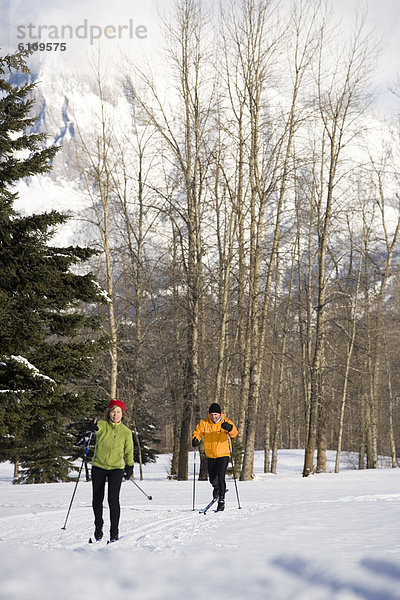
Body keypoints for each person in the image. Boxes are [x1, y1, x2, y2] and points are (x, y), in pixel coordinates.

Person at [87, 399, 134, 543]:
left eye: (118, 412)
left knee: (113, 500)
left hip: (116, 468)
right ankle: (98, 526)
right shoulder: (102, 425)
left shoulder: (126, 432)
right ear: (109, 413)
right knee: (97, 499)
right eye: (113, 411)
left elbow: (129, 451)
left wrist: (130, 466)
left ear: (122, 414)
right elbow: (95, 427)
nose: (115, 414)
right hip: (99, 466)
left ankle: (114, 532)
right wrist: (92, 426)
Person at [192, 402, 238, 511]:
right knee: (212, 479)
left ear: (220, 414)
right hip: (211, 455)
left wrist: (230, 428)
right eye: (212, 414)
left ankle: (221, 500)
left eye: (216, 414)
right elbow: (198, 432)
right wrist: (195, 439)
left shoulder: (225, 422)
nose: (214, 416)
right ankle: (216, 488)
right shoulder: (204, 423)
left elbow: (234, 433)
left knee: (221, 475)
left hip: (223, 453)